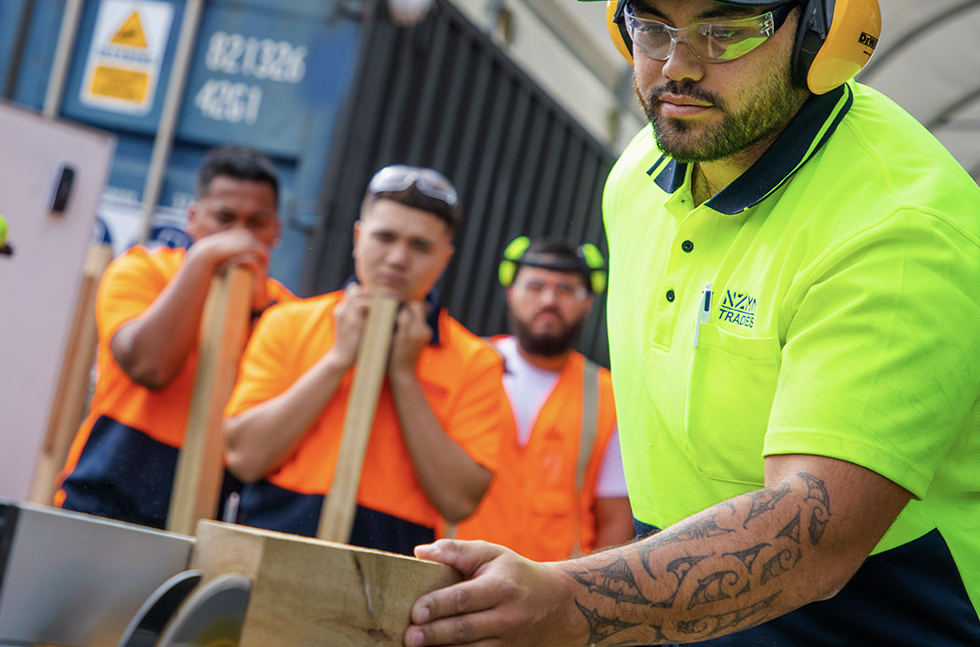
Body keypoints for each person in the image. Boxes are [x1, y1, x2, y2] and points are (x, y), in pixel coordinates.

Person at [400, 0, 980, 647]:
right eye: (651, 28)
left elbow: (813, 534)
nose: (678, 67)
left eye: (726, 30)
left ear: (826, 35)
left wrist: (563, 599)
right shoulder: (639, 179)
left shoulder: (903, 227)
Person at [223, 165, 514, 555]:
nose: (397, 258)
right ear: (358, 238)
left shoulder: (476, 361)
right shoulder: (288, 322)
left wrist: (405, 378)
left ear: (444, 259)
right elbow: (244, 458)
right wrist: (338, 360)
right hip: (267, 546)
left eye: (420, 246)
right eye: (385, 237)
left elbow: (459, 501)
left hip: (389, 572)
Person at [57, 145, 295, 528]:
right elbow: (150, 366)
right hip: (103, 501)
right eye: (224, 218)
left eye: (257, 223)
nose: (239, 236)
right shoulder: (141, 271)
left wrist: (251, 311)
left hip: (212, 521)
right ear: (193, 219)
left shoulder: (287, 314)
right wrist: (202, 262)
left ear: (276, 232)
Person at [452, 236, 631, 560]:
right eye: (535, 286)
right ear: (511, 292)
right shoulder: (462, 364)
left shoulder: (610, 397)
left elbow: (616, 519)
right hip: (450, 572)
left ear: (588, 302)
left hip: (551, 597)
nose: (549, 299)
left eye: (565, 290)